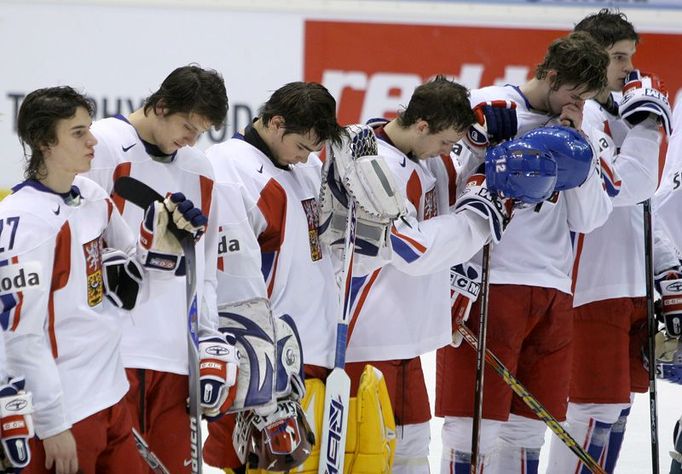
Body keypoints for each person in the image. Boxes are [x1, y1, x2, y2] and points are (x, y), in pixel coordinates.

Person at [434, 31, 613, 473]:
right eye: (573, 94)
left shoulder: (582, 120)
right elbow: (446, 182)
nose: (578, 106)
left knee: (529, 429)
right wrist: (493, 150)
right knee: (473, 427)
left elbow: (588, 218)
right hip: (490, 280)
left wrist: (576, 146)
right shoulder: (488, 104)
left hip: (552, 285)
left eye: (587, 99)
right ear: (550, 75)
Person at [83, 65, 238, 472]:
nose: (191, 138)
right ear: (160, 106)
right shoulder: (99, 147)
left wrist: (208, 337)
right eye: (187, 125)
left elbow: (203, 268)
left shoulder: (199, 168)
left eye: (201, 131)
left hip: (174, 359)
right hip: (112, 356)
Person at [546, 10, 671, 473]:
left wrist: (666, 269)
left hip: (629, 287)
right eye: (618, 57)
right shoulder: (582, 116)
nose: (628, 68)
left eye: (630, 57)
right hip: (589, 285)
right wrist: (647, 129)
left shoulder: (621, 110)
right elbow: (627, 186)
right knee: (590, 412)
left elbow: (645, 207)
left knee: (617, 413)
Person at [201, 81, 348, 472]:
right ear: (276, 122)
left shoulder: (307, 168)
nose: (304, 159)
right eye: (300, 147)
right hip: (261, 361)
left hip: (310, 351)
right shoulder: (229, 168)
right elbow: (225, 277)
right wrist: (254, 363)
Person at [0, 86, 148, 474]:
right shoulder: (24, 223)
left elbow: (136, 261)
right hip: (68, 410)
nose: (93, 140)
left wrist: (167, 237)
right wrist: (52, 423)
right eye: (78, 132)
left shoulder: (91, 194)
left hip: (113, 397)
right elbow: (21, 334)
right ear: (45, 141)